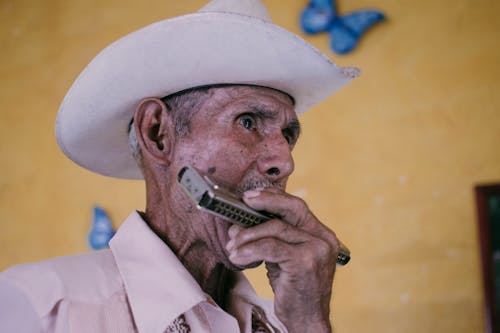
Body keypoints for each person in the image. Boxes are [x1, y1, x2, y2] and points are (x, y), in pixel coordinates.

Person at [0, 0, 359, 332]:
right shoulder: (43, 307)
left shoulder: (288, 325)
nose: (284, 161)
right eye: (247, 122)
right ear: (158, 134)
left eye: (288, 134)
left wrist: (310, 322)